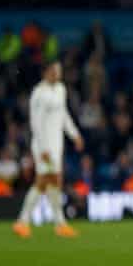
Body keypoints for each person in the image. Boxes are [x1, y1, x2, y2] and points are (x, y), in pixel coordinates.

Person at [12, 61, 85, 238]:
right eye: (53, 71)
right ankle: (23, 221)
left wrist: (74, 134)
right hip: (43, 145)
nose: (57, 74)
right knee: (43, 180)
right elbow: (35, 123)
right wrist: (43, 147)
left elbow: (64, 114)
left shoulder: (60, 89)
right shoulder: (39, 93)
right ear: (45, 72)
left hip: (56, 144)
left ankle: (59, 224)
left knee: (55, 182)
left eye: (59, 71)